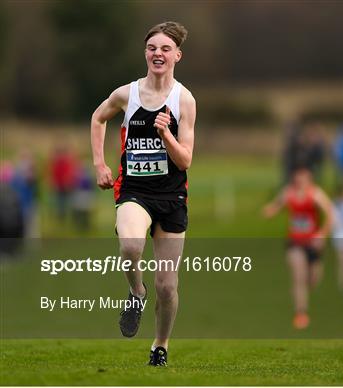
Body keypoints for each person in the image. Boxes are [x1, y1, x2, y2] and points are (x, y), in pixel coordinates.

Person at [90, 21, 196, 366]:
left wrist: (166, 136)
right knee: (131, 244)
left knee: (167, 286)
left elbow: (186, 161)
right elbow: (98, 117)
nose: (158, 54)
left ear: (177, 55)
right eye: (152, 48)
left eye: (165, 48)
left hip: (171, 197)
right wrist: (99, 165)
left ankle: (160, 345)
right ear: (145, 54)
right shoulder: (128, 94)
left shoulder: (185, 100)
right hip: (134, 189)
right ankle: (136, 292)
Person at [262, 167, 334, 329]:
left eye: (303, 179)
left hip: (312, 244)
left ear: (309, 180)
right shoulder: (289, 193)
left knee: (313, 279)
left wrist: (322, 233)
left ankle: (305, 297)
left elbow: (330, 212)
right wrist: (269, 211)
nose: (300, 182)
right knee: (298, 276)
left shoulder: (315, 194)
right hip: (294, 242)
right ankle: (301, 313)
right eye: (297, 179)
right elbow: (276, 205)